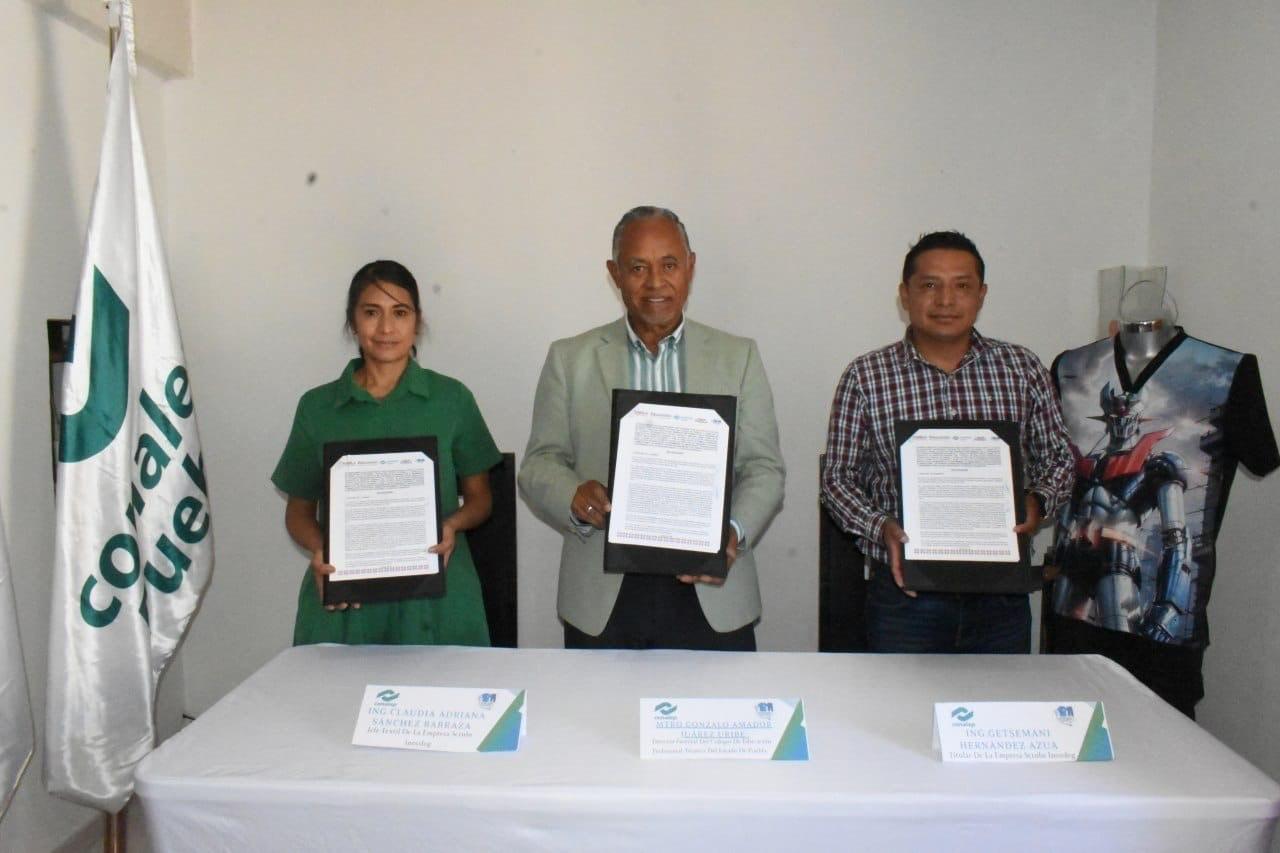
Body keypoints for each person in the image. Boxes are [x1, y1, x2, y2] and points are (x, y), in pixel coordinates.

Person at [519, 206, 785, 650]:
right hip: (604, 596)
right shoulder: (570, 359)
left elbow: (764, 468)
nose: (655, 282)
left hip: (712, 591)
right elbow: (538, 463)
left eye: (669, 265)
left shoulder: (738, 356)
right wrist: (574, 496)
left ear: (691, 267)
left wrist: (731, 532)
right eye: (638, 268)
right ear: (615, 274)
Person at [821, 231, 1073, 653]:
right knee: (899, 699)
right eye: (930, 285)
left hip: (1000, 599)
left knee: (999, 698)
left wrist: (1038, 501)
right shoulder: (866, 377)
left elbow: (1061, 459)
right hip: (904, 596)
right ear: (905, 294)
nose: (945, 300)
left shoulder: (1022, 369)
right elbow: (837, 479)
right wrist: (881, 528)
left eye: (962, 286)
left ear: (981, 295)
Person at [272, 260, 502, 645]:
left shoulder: (452, 399)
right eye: (371, 313)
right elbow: (298, 511)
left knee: (444, 684)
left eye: (400, 312)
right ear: (352, 322)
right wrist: (322, 548)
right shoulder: (317, 408)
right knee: (335, 684)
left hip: (438, 597)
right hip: (347, 600)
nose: (386, 328)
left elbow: (481, 499)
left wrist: (451, 525)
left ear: (417, 321)